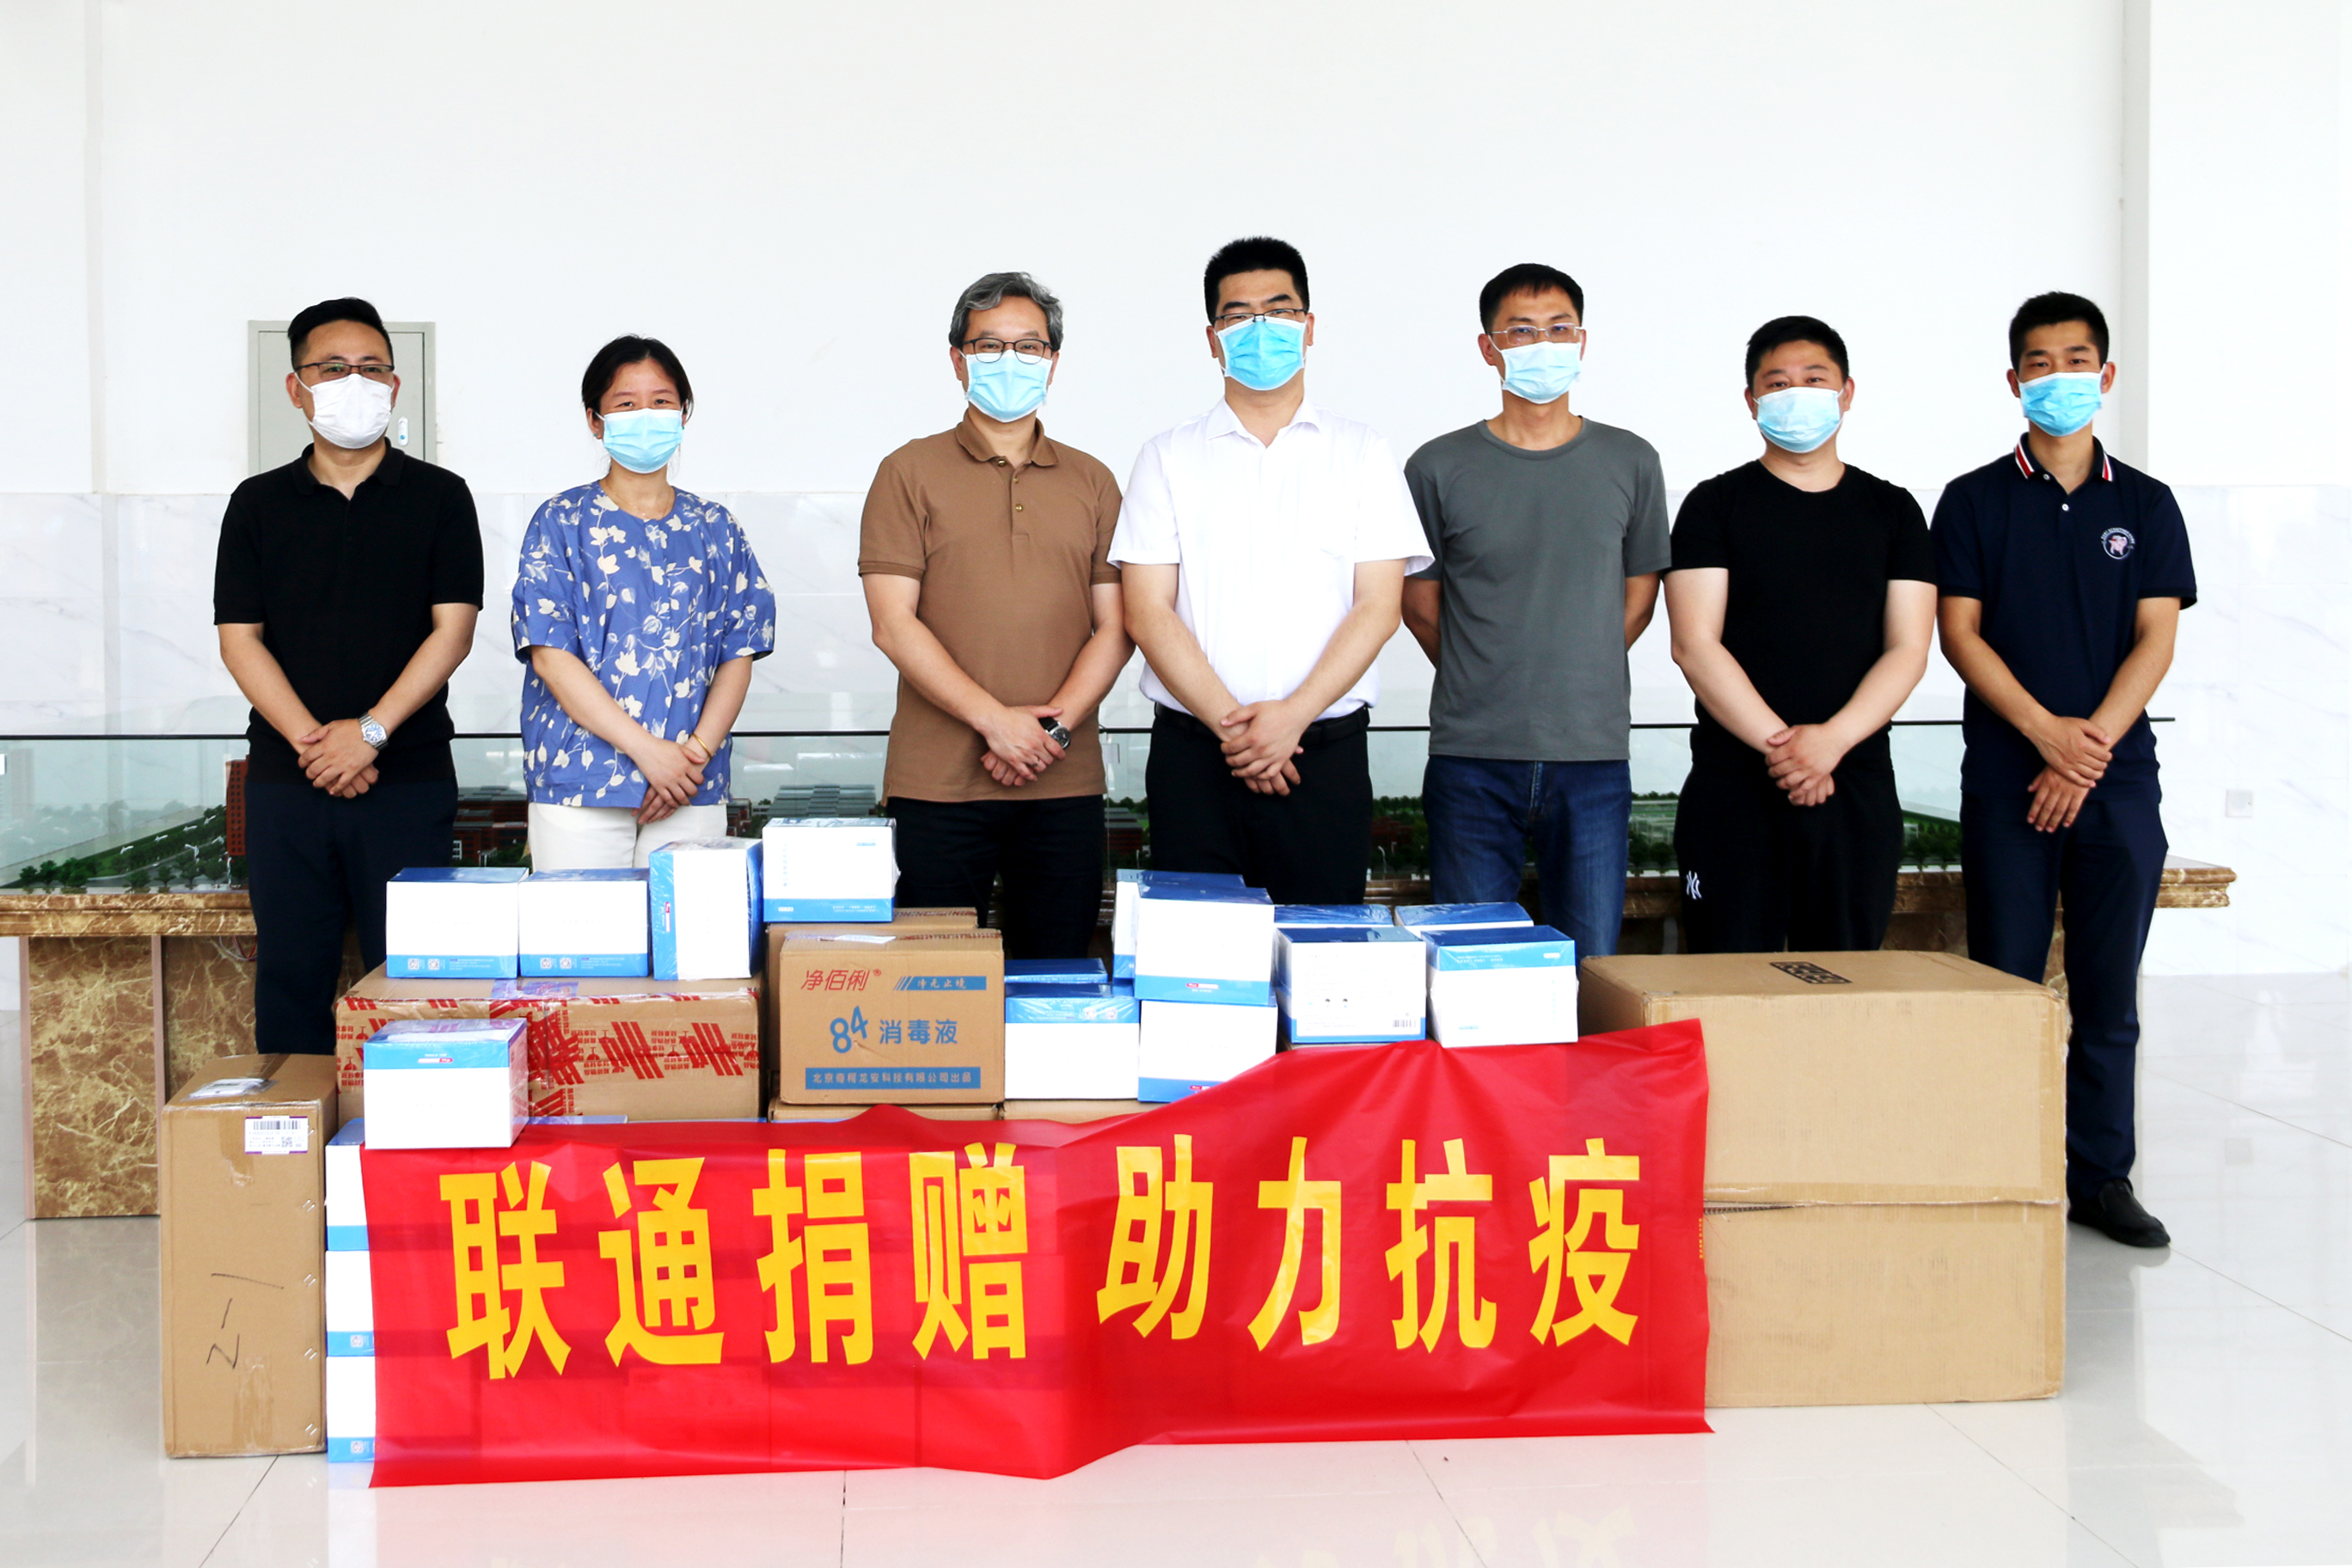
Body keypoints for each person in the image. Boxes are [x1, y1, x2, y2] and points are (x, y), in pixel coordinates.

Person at [1934, 291, 2195, 1249]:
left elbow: (2156, 639)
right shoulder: (1973, 499)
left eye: (2076, 360)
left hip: (2116, 782)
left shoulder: (2147, 503)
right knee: (2003, 987)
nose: (2059, 377)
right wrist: (2046, 735)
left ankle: (2101, 1177)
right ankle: (2003, 1168)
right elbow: (1959, 635)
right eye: (2039, 363)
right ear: (2014, 381)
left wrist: (2083, 757)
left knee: (2107, 991)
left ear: (2107, 374)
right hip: (2008, 779)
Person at [1112, 236, 1431, 904]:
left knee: (1322, 953)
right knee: (1198, 958)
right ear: (1213, 339)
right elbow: (1146, 610)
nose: (1261, 329)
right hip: (1196, 760)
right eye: (1238, 316)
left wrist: (1291, 720)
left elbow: (1379, 606)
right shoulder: (1166, 457)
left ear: (1309, 327)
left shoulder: (1363, 453)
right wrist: (1240, 732)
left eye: (1279, 311)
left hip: (1324, 755)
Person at [214, 297, 483, 1051]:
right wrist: (317, 744)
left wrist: (368, 734)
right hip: (287, 781)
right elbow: (239, 640)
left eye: (371, 368)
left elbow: (454, 631)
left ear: (394, 385)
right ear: (296, 388)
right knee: (292, 977)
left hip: (408, 777)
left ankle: (415, 1124)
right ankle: (296, 1127)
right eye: (332, 368)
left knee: (414, 981)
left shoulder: (440, 497)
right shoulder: (258, 504)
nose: (353, 382)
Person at [1402, 262, 1669, 958]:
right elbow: (1419, 603)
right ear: (1488, 348)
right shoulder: (1436, 466)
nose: (1542, 345)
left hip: (1592, 753)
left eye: (1558, 329)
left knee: (1592, 964)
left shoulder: (1632, 460)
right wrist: (1485, 671)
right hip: (1471, 757)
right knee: (1470, 964)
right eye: (1521, 331)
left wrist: (1581, 662)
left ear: (1582, 341)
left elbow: (1641, 592)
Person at [859, 273, 1130, 957]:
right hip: (938, 786)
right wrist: (996, 723)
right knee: (933, 985)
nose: (1010, 361)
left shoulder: (1094, 481)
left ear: (1053, 361)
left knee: (1057, 981)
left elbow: (1117, 627)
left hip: (1063, 783)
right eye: (989, 346)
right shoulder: (907, 472)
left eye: (1029, 346)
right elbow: (893, 623)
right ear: (958, 360)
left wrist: (1050, 734)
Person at [1663, 315, 1937, 953]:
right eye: (1777, 383)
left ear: (1846, 392)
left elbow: (1909, 648)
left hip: (1855, 784)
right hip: (1735, 786)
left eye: (1814, 379)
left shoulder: (1893, 510)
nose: (1796, 394)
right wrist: (1788, 751)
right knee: (1726, 982)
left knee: (1846, 985)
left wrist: (1832, 742)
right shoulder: (1713, 505)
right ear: (1751, 400)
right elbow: (1695, 644)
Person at [513, 336, 775, 869]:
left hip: (689, 784)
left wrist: (691, 758)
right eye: (626, 404)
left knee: (688, 922)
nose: (646, 416)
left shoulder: (716, 528)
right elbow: (550, 655)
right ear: (595, 420)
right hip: (580, 782)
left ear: (683, 413)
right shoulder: (560, 522)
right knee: (585, 925)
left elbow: (739, 651)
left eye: (661, 401)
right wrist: (650, 753)